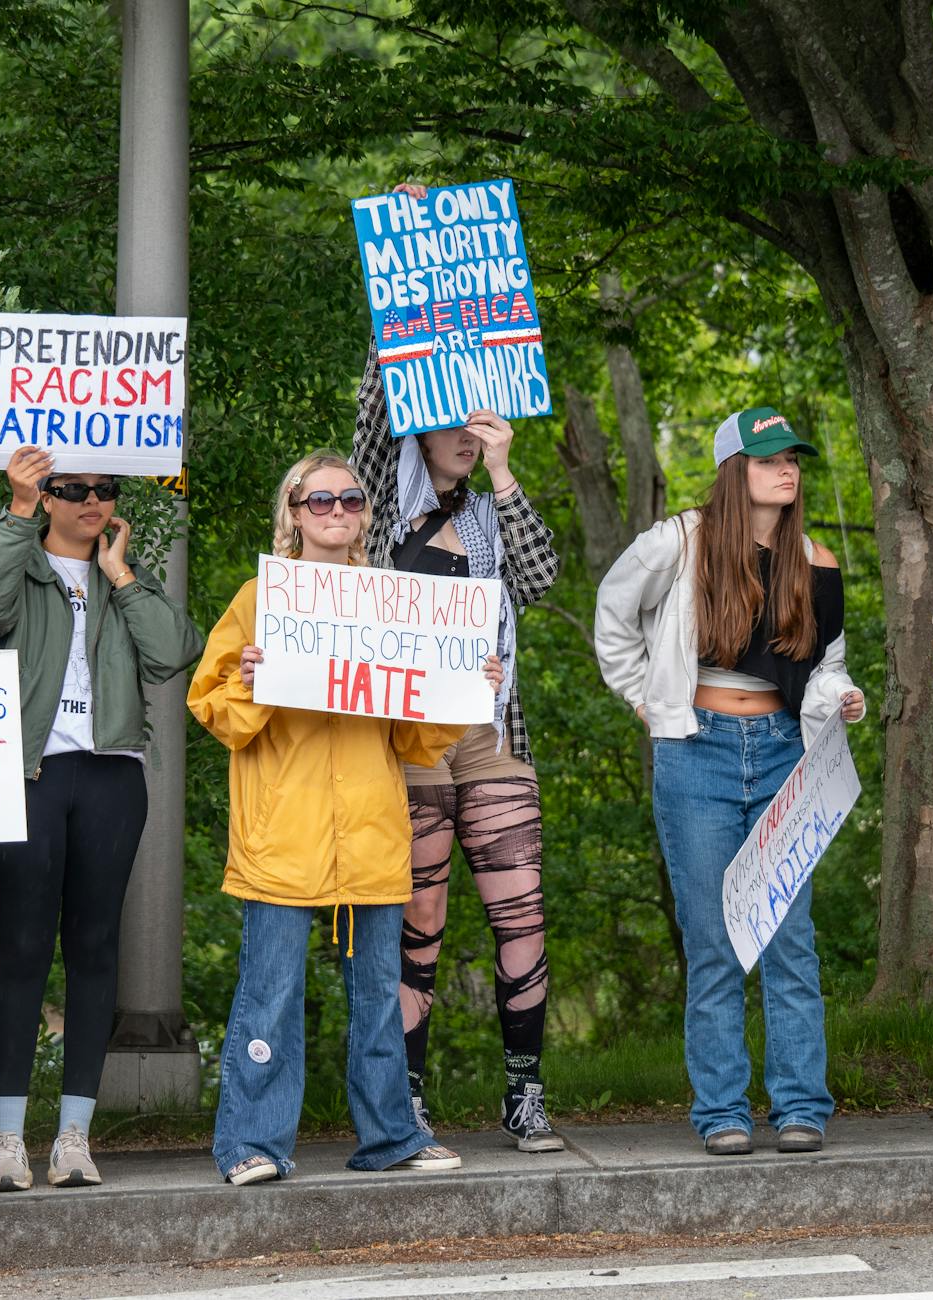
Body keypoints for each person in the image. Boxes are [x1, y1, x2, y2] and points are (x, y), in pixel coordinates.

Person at [188, 449, 500, 1185]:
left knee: (378, 1000)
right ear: (292, 515)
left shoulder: (395, 602)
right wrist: (259, 686)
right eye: (318, 501)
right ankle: (252, 1147)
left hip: (370, 835)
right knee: (268, 997)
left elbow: (413, 738)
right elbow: (213, 709)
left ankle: (391, 1136)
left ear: (365, 512)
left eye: (350, 500)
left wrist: (464, 689)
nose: (336, 512)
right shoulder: (255, 603)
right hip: (282, 838)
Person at [351, 185, 562, 1150]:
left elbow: (543, 577)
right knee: (420, 918)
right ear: (419, 418)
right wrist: (407, 271)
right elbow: (371, 402)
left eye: (481, 420)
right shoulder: (381, 504)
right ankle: (413, 1097)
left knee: (520, 909)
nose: (469, 428)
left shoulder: (486, 511)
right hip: (407, 741)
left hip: (489, 732)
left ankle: (526, 1091)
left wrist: (508, 466)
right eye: (454, 416)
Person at [594, 408, 865, 1155]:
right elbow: (614, 614)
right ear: (733, 469)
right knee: (714, 939)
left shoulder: (816, 559)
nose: (788, 469)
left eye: (794, 458)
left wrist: (841, 698)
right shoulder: (679, 541)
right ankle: (721, 1112)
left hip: (785, 750)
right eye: (769, 457)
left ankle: (801, 1106)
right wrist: (641, 700)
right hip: (697, 751)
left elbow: (825, 665)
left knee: (788, 936)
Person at [0, 447, 202, 1190]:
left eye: (105, 489)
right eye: (74, 489)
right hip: (28, 773)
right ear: (49, 496)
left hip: (112, 775)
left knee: (95, 948)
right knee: (24, 947)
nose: (93, 500)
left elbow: (172, 652)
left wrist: (121, 575)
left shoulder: (126, 579)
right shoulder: (18, 563)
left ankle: (74, 1138)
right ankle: (4, 1141)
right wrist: (16, 514)